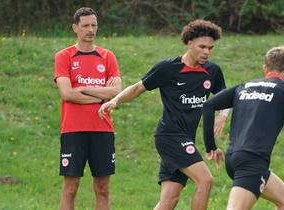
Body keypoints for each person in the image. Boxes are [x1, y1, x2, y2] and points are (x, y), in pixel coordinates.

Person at [98, 19, 229, 210]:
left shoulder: (212, 71)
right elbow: (138, 88)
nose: (206, 52)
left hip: (186, 138)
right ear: (189, 42)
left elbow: (226, 97)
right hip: (169, 136)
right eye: (202, 46)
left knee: (170, 200)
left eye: (210, 48)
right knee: (205, 180)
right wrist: (115, 100)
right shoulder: (168, 68)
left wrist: (223, 115)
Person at [202, 46, 284, 210]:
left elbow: (209, 105)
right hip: (252, 161)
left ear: (265, 68)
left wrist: (210, 146)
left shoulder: (243, 86)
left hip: (234, 159)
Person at [54, 7, 122, 210]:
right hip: (73, 130)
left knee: (103, 188)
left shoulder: (107, 56)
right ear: (75, 28)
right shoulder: (64, 56)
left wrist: (83, 89)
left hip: (103, 129)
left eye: (94, 25)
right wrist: (101, 96)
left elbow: (117, 91)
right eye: (85, 25)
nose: (91, 29)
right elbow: (67, 94)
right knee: (70, 188)